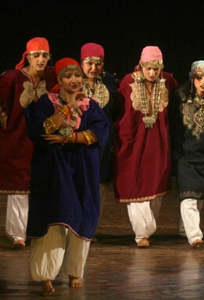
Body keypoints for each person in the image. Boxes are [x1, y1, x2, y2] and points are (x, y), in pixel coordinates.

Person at [24, 58, 109, 296]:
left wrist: (70, 138)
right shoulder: (45, 102)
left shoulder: (91, 105)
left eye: (77, 76)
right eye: (68, 77)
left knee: (81, 217)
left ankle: (74, 271)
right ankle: (46, 276)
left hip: (82, 166)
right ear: (59, 80)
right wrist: (65, 109)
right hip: (53, 168)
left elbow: (100, 133)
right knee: (54, 219)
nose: (74, 81)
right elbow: (39, 129)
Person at [114, 46, 178, 247]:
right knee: (135, 183)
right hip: (133, 141)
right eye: (148, 68)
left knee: (155, 184)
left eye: (156, 68)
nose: (152, 73)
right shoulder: (128, 82)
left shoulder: (167, 81)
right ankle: (141, 233)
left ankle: (146, 232)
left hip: (158, 142)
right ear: (141, 65)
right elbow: (119, 111)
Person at [0, 37, 57, 247]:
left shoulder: (51, 76)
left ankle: (35, 229)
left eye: (44, 55)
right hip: (16, 138)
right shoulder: (12, 78)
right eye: (36, 55)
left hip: (42, 139)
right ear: (27, 57)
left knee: (38, 185)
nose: (41, 59)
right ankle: (18, 235)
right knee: (19, 186)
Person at [170, 60, 204, 247]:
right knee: (189, 197)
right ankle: (195, 236)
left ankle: (184, 229)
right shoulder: (179, 96)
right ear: (192, 78)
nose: (203, 82)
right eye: (199, 77)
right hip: (184, 154)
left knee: (198, 197)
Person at [80, 42, 117, 241]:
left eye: (98, 63)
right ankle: (76, 227)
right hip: (80, 144)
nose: (94, 68)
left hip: (103, 145)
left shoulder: (110, 82)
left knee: (99, 187)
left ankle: (90, 229)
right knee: (80, 184)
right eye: (89, 63)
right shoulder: (73, 80)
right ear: (81, 63)